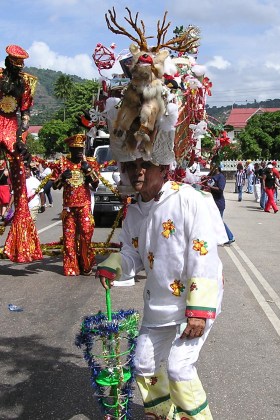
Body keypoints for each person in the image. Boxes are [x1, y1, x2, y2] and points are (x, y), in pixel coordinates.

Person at [97, 157, 224, 419]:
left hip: (194, 300)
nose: (137, 171)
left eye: (144, 164)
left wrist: (199, 310)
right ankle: (165, 416)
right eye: (130, 166)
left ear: (162, 167)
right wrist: (116, 262)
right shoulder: (133, 212)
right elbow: (134, 254)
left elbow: (204, 254)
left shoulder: (187, 199)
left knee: (179, 368)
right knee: (143, 364)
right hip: (158, 303)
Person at [0, 44, 42, 262]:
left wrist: (21, 136)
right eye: (16, 63)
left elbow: (25, 113)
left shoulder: (26, 83)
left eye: (21, 64)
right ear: (8, 62)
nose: (20, 67)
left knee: (19, 173)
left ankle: (21, 242)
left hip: (10, 126)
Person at [51, 134, 100, 276]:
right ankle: (71, 267)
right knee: (69, 238)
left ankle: (86, 264)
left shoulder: (89, 162)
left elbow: (95, 184)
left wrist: (88, 170)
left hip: (84, 205)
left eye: (81, 149)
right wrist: (61, 178)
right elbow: (55, 186)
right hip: (68, 208)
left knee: (86, 234)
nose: (79, 152)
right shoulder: (62, 163)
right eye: (76, 149)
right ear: (70, 149)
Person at [208, 164, 235, 244]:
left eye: (212, 166)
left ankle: (230, 237)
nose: (210, 167)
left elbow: (220, 189)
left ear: (217, 168)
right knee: (214, 220)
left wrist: (210, 187)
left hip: (219, 202)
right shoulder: (212, 176)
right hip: (213, 201)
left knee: (219, 221)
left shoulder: (221, 177)